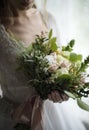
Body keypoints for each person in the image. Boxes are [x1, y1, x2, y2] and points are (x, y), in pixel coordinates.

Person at [0, 0, 69, 130]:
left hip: (53, 115)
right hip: (15, 118)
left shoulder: (48, 19)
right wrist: (12, 112)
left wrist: (62, 89)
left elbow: (61, 59)